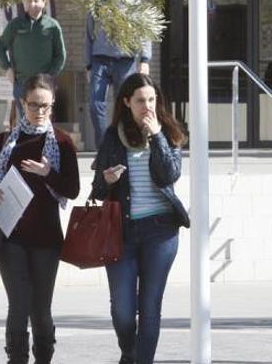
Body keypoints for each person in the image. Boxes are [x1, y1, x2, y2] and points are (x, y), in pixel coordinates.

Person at [90, 73, 189, 364]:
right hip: (121, 231)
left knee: (149, 307)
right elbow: (96, 189)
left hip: (161, 231)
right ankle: (129, 353)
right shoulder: (112, 136)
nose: (147, 106)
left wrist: (156, 135)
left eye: (151, 99)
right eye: (140, 101)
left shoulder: (168, 132)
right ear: (126, 103)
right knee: (122, 309)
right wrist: (106, 180)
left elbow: (170, 174)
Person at [0, 73, 80, 363]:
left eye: (47, 106)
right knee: (19, 305)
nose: (40, 112)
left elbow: (72, 190)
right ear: (22, 103)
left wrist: (47, 173)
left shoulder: (62, 143)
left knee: (41, 309)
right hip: (10, 235)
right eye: (34, 105)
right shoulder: (4, 141)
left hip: (47, 238)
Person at [85, 11, 153, 149]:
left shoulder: (132, 4)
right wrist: (88, 65)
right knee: (95, 104)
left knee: (126, 105)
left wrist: (145, 59)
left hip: (126, 61)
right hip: (100, 59)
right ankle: (104, 149)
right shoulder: (97, 4)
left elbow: (145, 33)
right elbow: (88, 35)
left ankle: (125, 145)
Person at [0, 0, 66, 120]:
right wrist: (7, 69)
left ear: (44, 3)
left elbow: (60, 56)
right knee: (25, 122)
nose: (32, 4)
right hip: (21, 83)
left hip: (43, 85)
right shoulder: (15, 25)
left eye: (36, 1)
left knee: (42, 121)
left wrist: (49, 76)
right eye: (28, 1)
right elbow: (0, 46)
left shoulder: (52, 26)